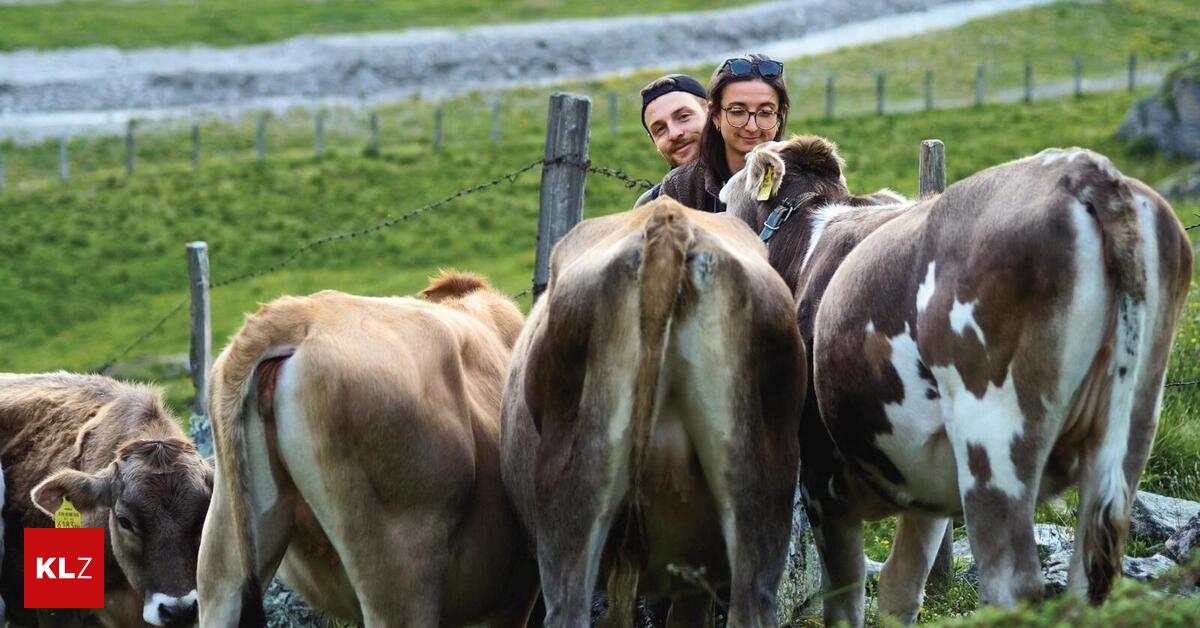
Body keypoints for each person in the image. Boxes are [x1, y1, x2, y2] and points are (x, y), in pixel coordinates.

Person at [655, 54, 790, 212]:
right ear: (715, 115)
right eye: (737, 112)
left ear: (780, 115)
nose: (752, 127)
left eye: (766, 112)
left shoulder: (807, 182)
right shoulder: (680, 187)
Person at [634, 73, 708, 206]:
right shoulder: (650, 206)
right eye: (660, 129)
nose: (674, 134)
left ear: (711, 113)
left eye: (683, 117)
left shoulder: (751, 183)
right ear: (653, 141)